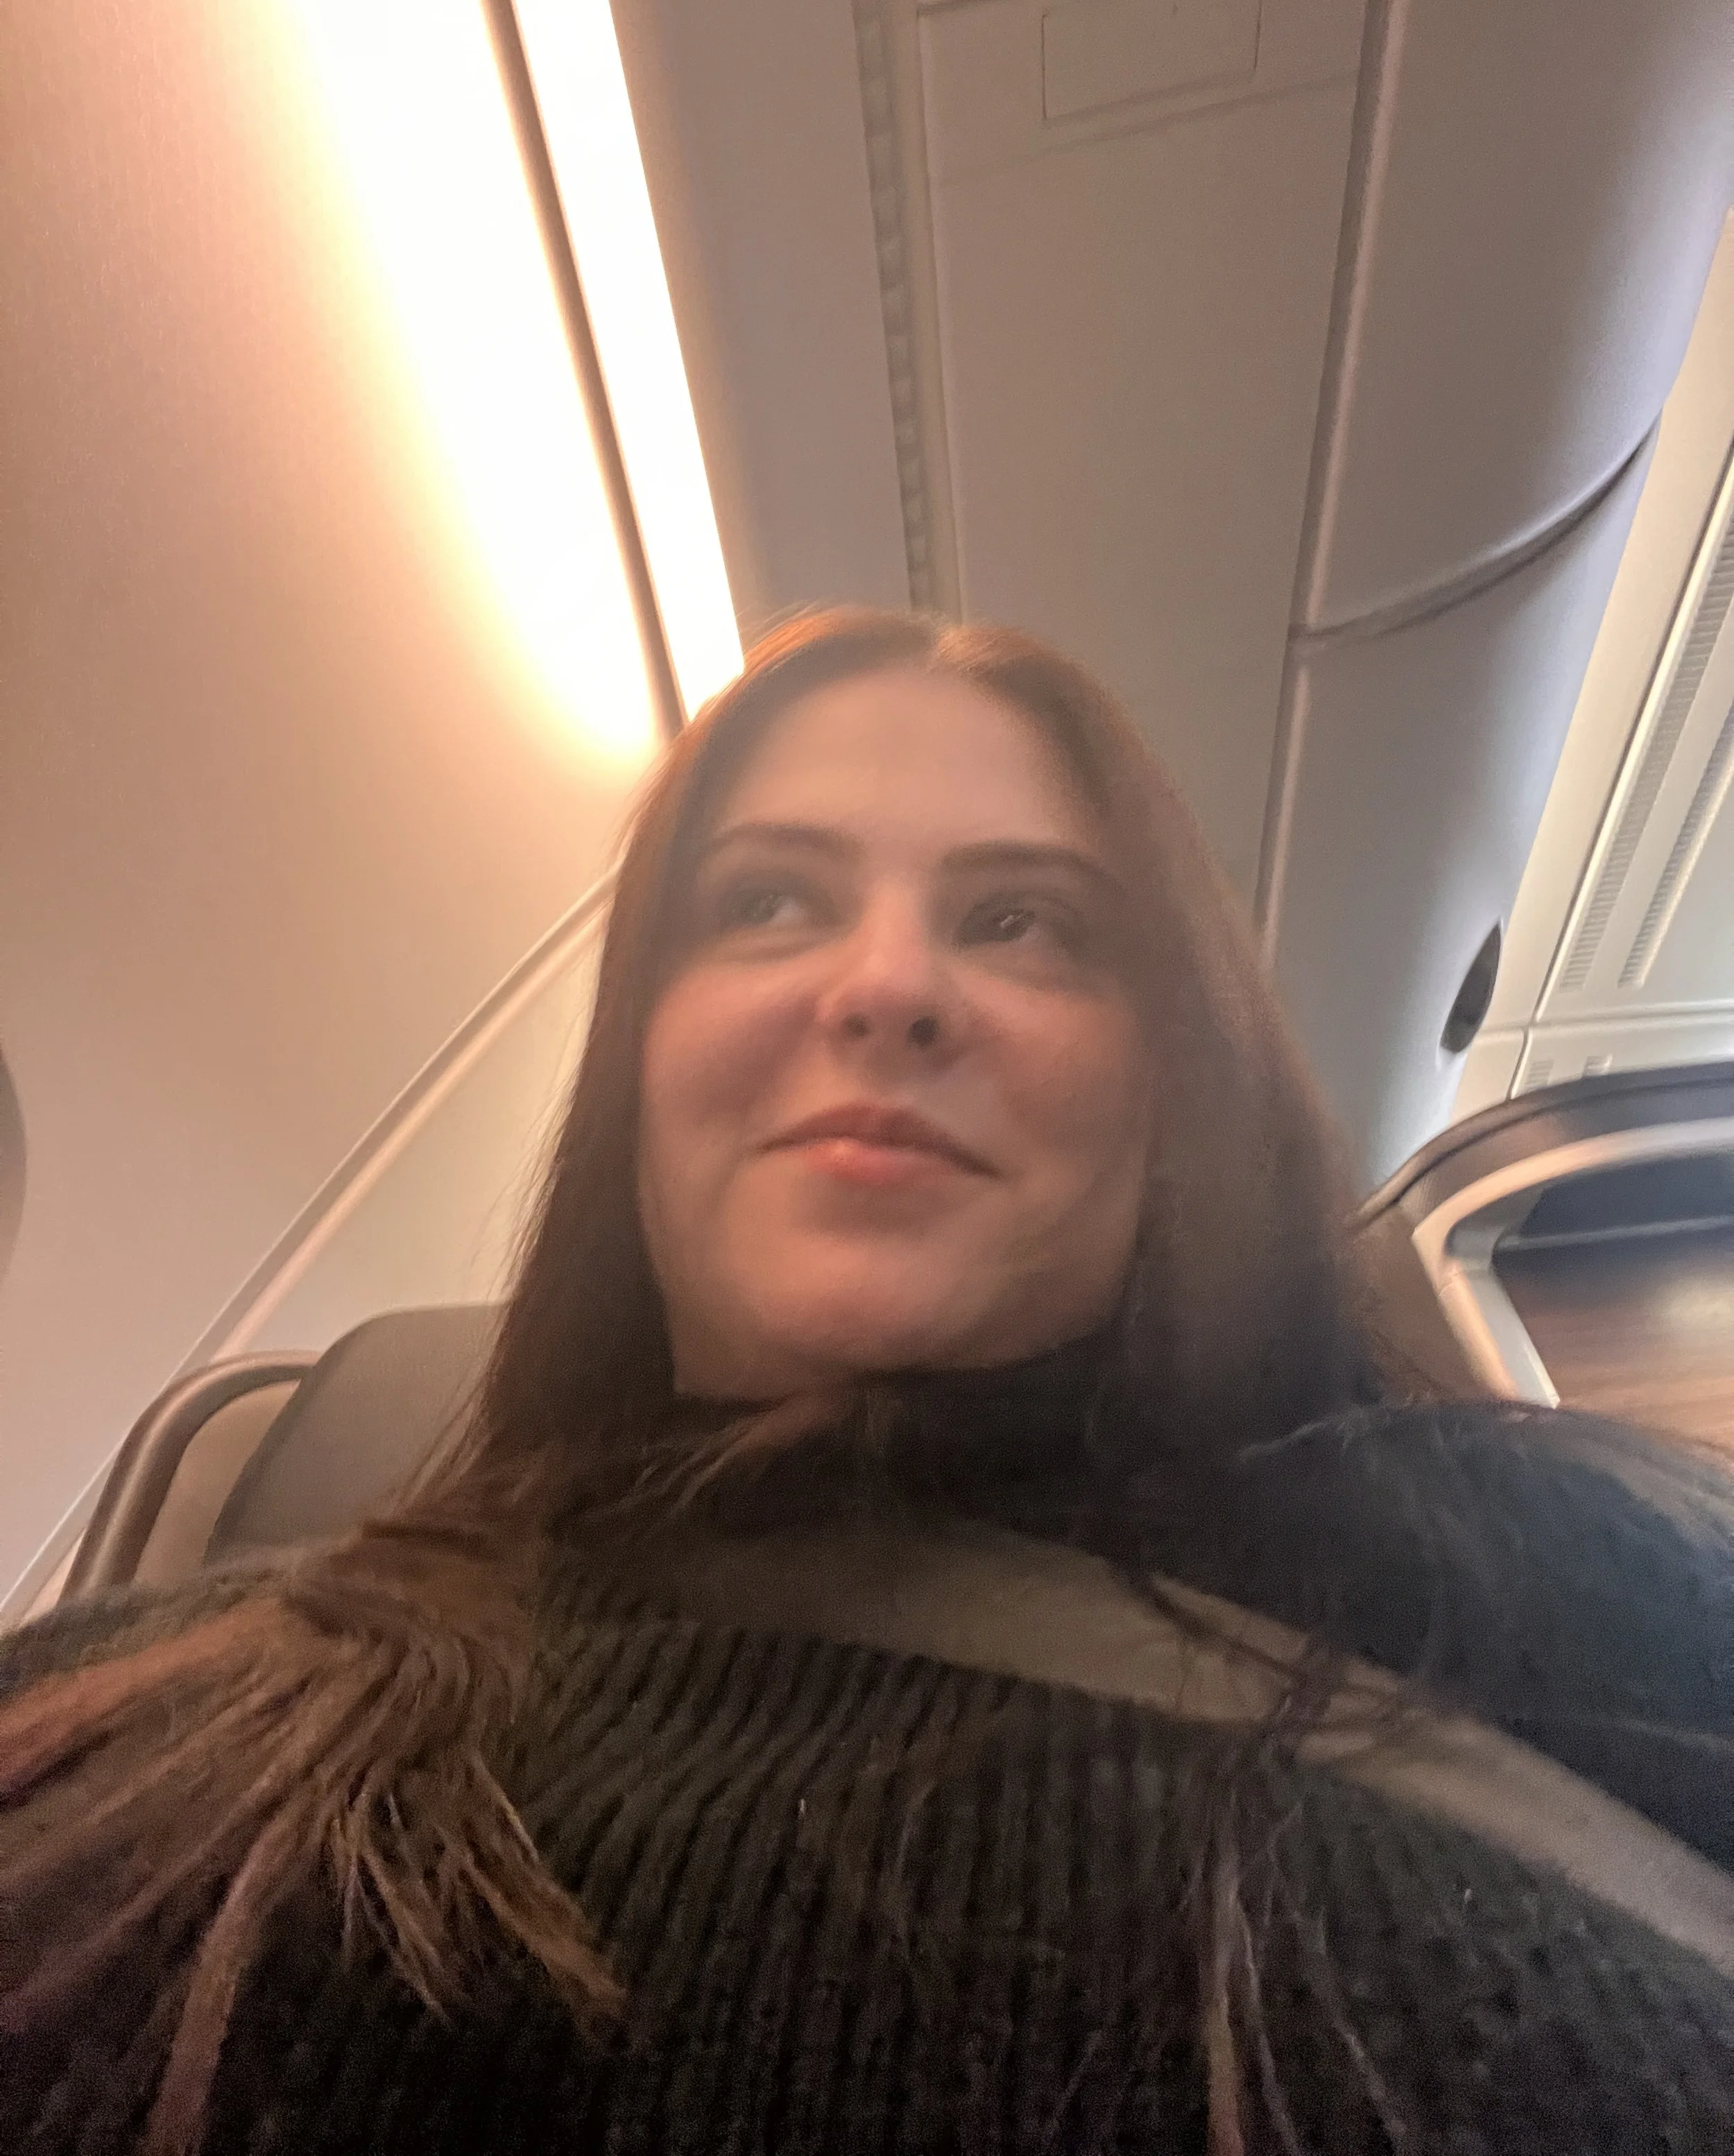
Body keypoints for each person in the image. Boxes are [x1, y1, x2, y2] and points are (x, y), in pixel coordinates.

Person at [3, 606, 1733, 2156]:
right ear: (636, 1073)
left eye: (1021, 922)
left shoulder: (1599, 1586)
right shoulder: (120, 1719)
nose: (888, 986)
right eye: (765, 901)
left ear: (1173, 1086)